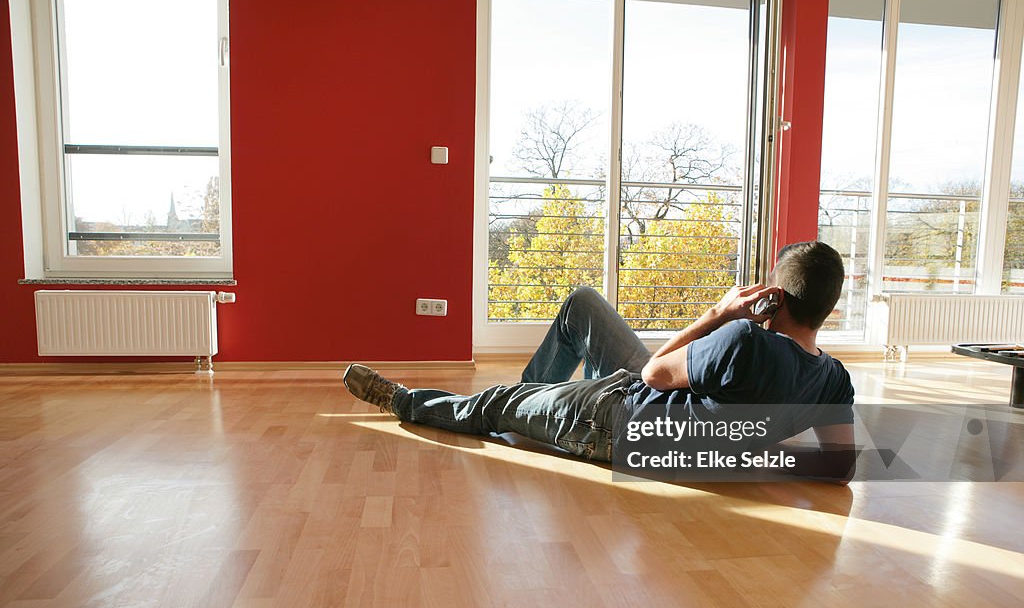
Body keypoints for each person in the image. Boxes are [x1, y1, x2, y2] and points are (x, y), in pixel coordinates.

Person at [343, 240, 855, 480]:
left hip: (616, 420)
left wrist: (718, 312)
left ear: (775, 299)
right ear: (826, 307)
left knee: (496, 403)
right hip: (646, 402)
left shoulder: (744, 338)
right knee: (583, 303)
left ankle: (406, 402)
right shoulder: (834, 380)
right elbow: (839, 466)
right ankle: (535, 399)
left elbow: (656, 372)